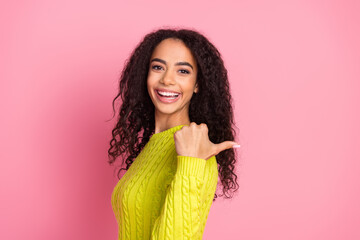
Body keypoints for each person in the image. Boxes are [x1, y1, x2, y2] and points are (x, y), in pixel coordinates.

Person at [108, 27, 240, 240]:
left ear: (197, 84)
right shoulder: (153, 144)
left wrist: (190, 162)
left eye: (183, 71)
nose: (167, 80)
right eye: (158, 67)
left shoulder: (196, 149)